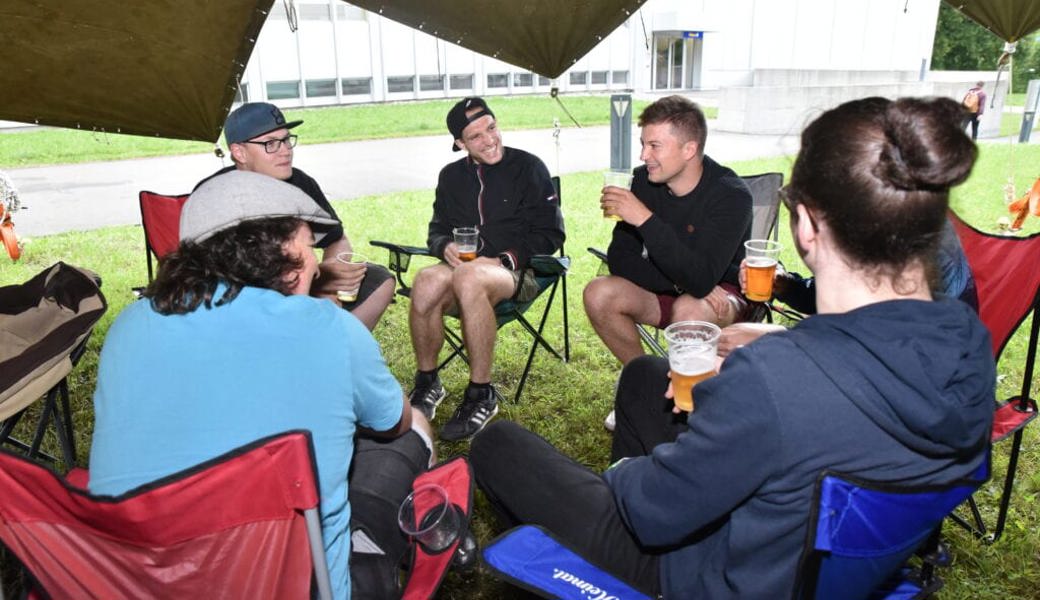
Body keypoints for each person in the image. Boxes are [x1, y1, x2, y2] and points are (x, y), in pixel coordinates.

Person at [470, 96, 994, 598]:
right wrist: (771, 342)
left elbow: (655, 511)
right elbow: (837, 382)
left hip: (706, 575)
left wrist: (630, 476)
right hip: (811, 558)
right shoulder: (967, 346)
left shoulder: (774, 381)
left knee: (500, 446)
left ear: (807, 226)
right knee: (645, 377)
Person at [89, 170, 436, 599]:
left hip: (140, 577)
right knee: (414, 425)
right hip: (291, 582)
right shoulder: (329, 327)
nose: (314, 260)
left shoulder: (129, 325)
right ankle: (381, 550)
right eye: (310, 245)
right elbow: (394, 422)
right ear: (282, 249)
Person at [405, 97, 564, 442]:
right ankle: (427, 383)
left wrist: (505, 258)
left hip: (521, 272)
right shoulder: (450, 177)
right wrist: (442, 246)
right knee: (426, 280)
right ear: (460, 144)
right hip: (466, 268)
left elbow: (551, 233)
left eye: (491, 127)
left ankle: (481, 393)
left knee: (469, 276)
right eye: (475, 136)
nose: (489, 139)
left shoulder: (528, 167)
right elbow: (436, 229)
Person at [583, 95, 754, 367]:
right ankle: (644, 379)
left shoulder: (730, 195)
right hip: (668, 284)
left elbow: (702, 279)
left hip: (724, 295)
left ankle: (688, 395)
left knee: (689, 308)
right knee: (598, 292)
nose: (643, 155)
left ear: (689, 149)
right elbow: (620, 258)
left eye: (654, 146)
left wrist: (643, 218)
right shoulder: (642, 181)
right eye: (643, 144)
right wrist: (677, 284)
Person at [195, 102, 394, 330]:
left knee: (381, 281)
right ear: (239, 152)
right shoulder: (213, 194)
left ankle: (338, 346)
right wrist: (315, 280)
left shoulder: (300, 183)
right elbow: (227, 278)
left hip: (299, 283)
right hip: (237, 300)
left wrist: (331, 273)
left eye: (287, 139)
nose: (286, 150)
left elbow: (337, 239)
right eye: (270, 143)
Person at [718, 215, 980, 354]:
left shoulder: (917, 247)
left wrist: (778, 338)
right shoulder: (877, 226)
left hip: (925, 408)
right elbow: (845, 300)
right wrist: (786, 285)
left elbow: (887, 348)